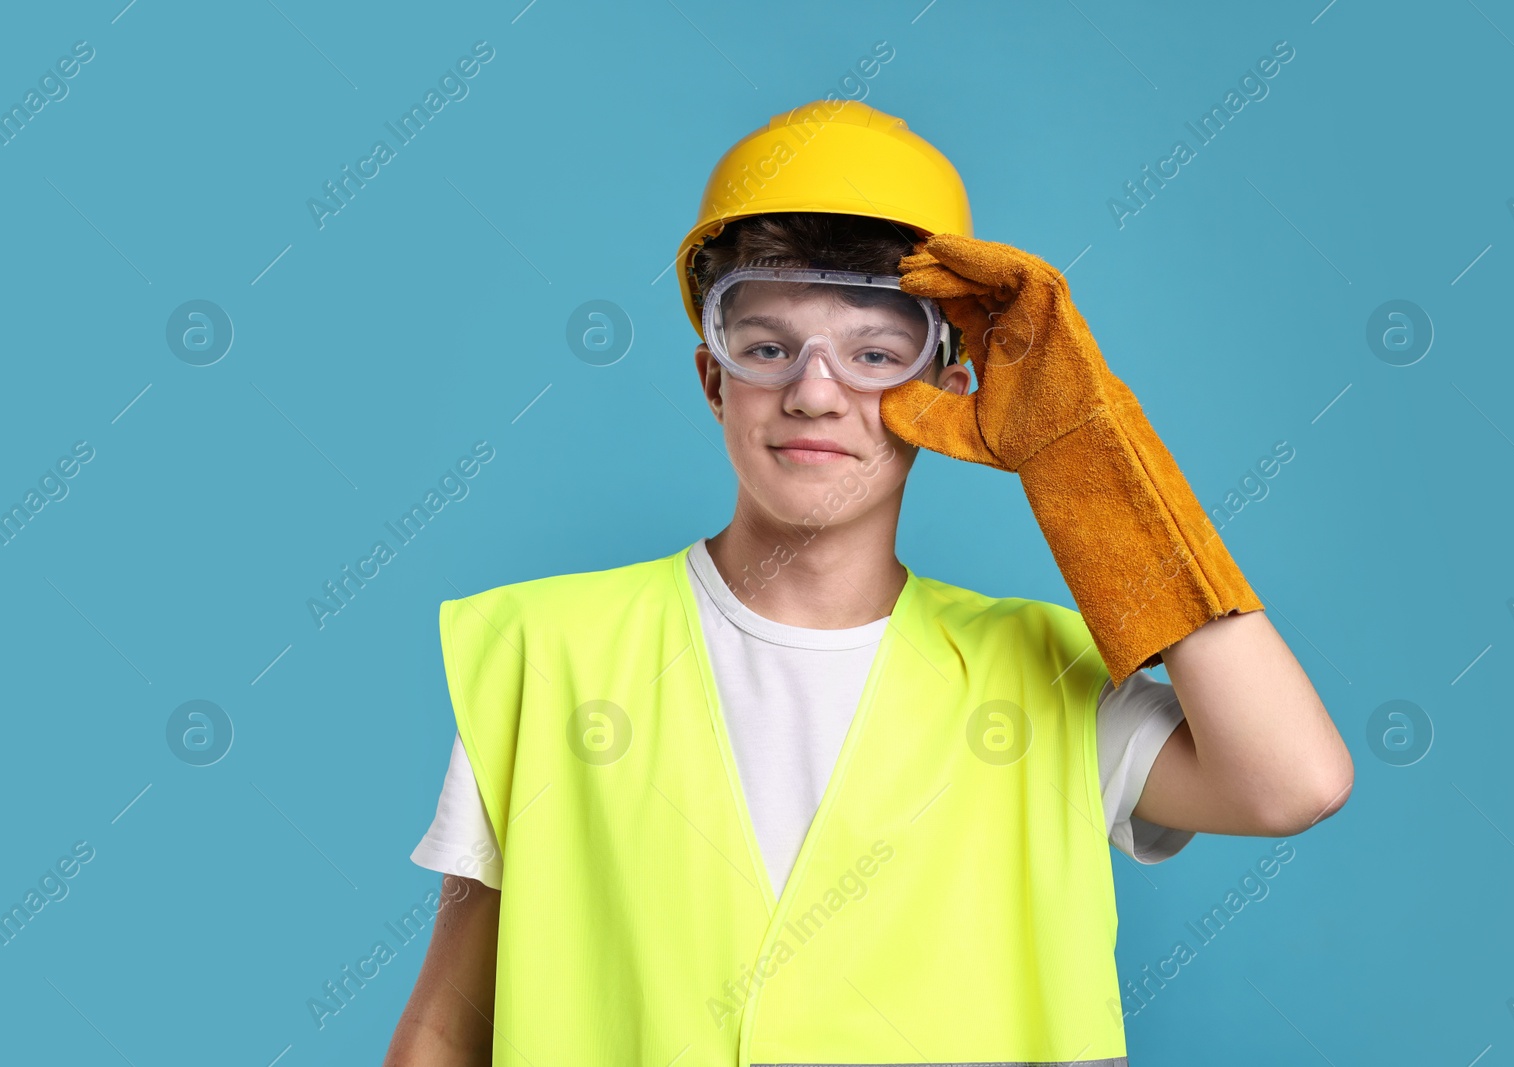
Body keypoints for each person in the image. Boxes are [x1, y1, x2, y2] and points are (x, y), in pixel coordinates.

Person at [384, 99, 1353, 1066]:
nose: (814, 389)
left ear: (950, 385)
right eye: (764, 346)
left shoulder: (1045, 675)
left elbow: (1292, 783)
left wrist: (1087, 457)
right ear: (710, 378)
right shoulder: (546, 649)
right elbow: (447, 1023)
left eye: (875, 353)